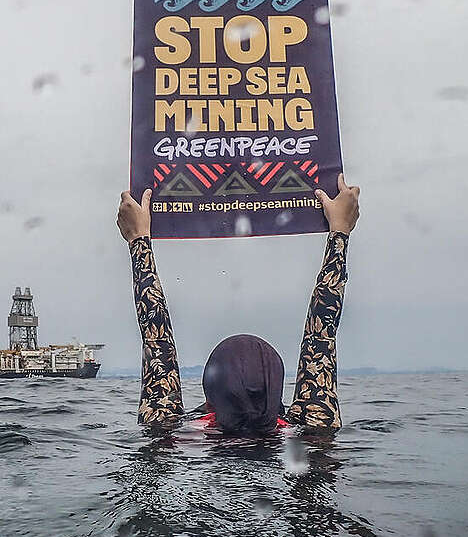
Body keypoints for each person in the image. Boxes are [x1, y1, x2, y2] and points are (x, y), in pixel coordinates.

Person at [116, 173, 360, 434]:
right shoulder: (315, 425)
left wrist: (138, 238)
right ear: (276, 387)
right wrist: (340, 231)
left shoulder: (166, 429)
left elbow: (156, 338)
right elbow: (321, 334)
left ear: (209, 393)